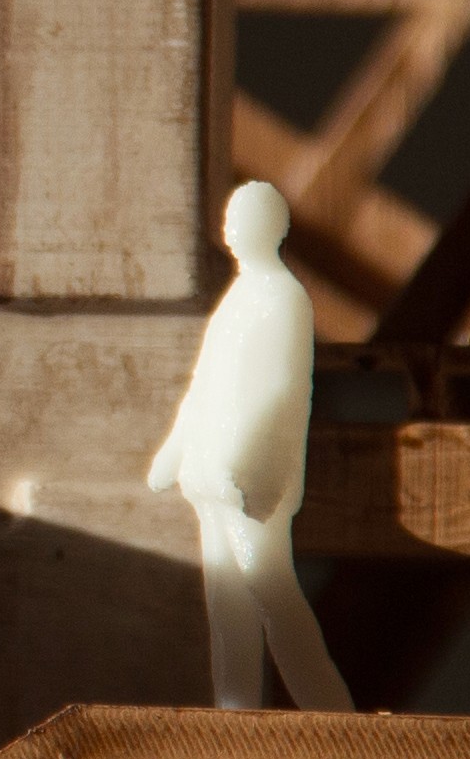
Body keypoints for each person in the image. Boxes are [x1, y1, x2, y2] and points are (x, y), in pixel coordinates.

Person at [145, 177, 357, 713]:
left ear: (272, 229)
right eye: (231, 221)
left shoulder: (284, 300)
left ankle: (334, 718)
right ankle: (235, 718)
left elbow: (283, 390)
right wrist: (175, 451)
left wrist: (246, 468)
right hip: (209, 477)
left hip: (251, 482)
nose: (233, 230)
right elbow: (204, 385)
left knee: (272, 598)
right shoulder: (237, 300)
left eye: (245, 221)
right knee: (228, 610)